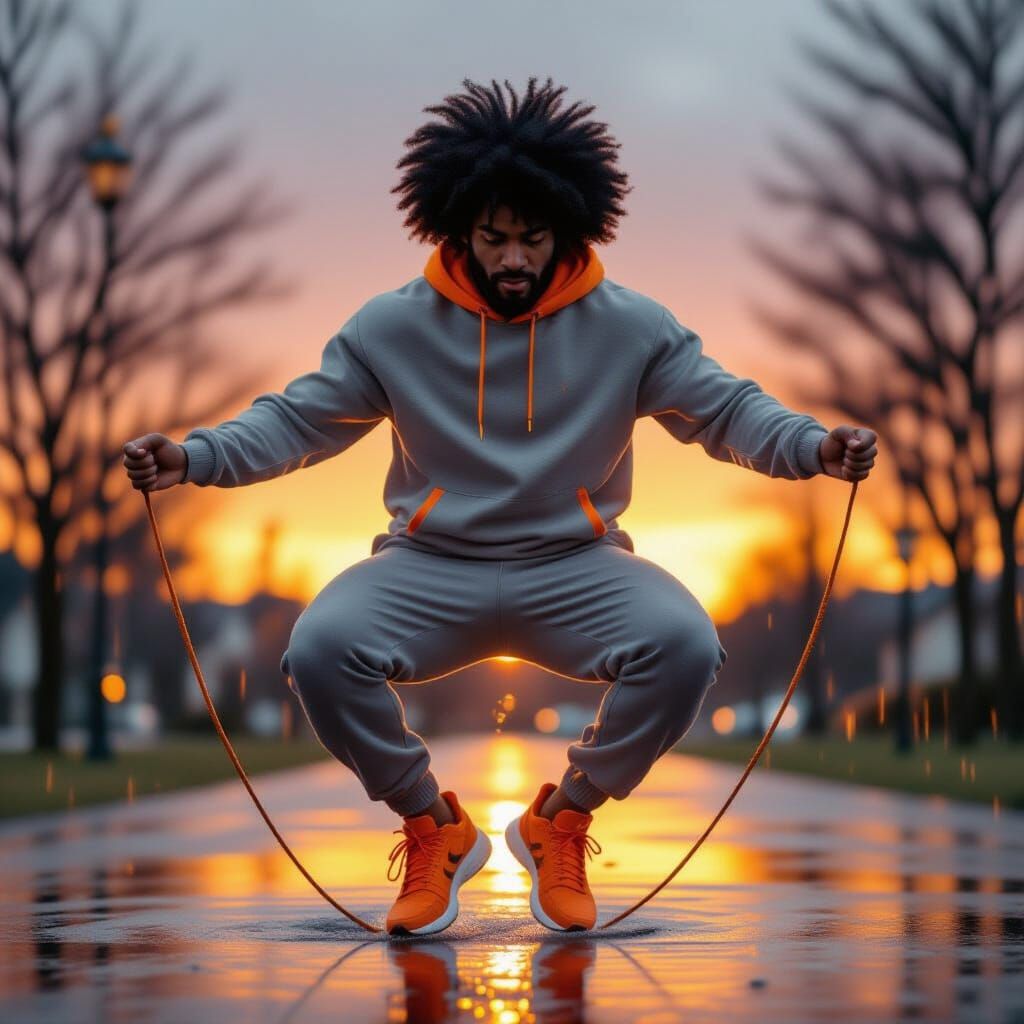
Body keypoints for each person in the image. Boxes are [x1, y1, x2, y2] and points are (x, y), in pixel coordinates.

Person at [122, 77, 878, 937]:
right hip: (428, 564)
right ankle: (432, 829)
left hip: (577, 566)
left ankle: (560, 820)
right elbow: (299, 420)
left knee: (684, 643)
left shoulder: (631, 326)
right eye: (493, 239)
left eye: (532, 238)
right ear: (454, 228)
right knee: (321, 649)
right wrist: (192, 457)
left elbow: (728, 409)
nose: (513, 259)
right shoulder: (390, 328)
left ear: (570, 228)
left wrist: (814, 446)